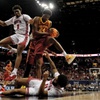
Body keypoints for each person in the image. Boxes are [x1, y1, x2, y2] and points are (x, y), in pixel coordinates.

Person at [23, 9, 76, 79]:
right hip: (34, 42)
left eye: (48, 17)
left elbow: (48, 35)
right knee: (29, 66)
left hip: (42, 41)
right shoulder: (37, 19)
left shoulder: (49, 23)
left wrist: (52, 34)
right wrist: (48, 33)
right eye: (46, 16)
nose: (47, 18)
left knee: (51, 39)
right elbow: (35, 32)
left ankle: (66, 55)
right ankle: (23, 83)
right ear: (43, 14)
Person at [0, 51, 68, 97]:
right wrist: (49, 58)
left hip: (36, 91)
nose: (54, 80)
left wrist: (44, 79)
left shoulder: (57, 92)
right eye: (55, 78)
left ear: (59, 85)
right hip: (38, 82)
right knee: (17, 80)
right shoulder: (59, 78)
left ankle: (1, 93)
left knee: (16, 90)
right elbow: (54, 68)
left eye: (56, 80)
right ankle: (10, 92)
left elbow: (41, 93)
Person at [0, 5, 33, 81]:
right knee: (1, 42)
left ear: (20, 11)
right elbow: (3, 24)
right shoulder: (13, 18)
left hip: (24, 36)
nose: (16, 12)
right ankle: (11, 49)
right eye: (15, 11)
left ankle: (14, 72)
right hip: (16, 35)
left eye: (17, 11)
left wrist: (33, 32)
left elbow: (32, 22)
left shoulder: (25, 16)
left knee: (19, 51)